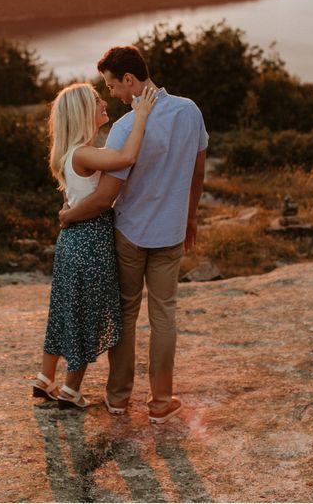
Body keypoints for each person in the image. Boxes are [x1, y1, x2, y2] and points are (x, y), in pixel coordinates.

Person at [59, 46, 208, 423]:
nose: (112, 94)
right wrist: (189, 219)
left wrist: (70, 215)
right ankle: (160, 402)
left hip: (129, 233)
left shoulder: (125, 128)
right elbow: (197, 173)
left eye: (112, 85)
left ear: (129, 79)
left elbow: (106, 196)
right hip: (171, 232)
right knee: (164, 315)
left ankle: (118, 399)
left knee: (125, 314)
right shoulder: (190, 112)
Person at [32, 81, 157, 409]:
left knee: (64, 310)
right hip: (91, 242)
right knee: (89, 316)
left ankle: (44, 380)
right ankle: (71, 391)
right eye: (97, 100)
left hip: (71, 241)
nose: (104, 103)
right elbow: (127, 156)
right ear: (82, 112)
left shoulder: (69, 153)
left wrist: (68, 215)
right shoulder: (87, 153)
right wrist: (141, 115)